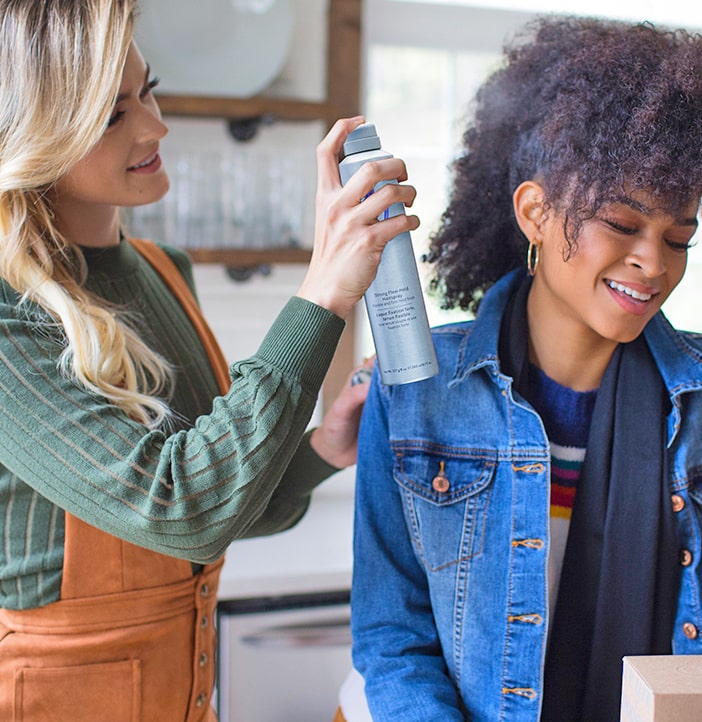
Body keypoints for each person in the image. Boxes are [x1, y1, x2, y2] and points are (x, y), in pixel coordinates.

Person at [0, 1, 419, 721]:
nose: (155, 126)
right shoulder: (13, 319)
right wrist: (322, 290)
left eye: (148, 90)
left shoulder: (166, 273)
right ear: (37, 134)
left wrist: (321, 447)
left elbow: (223, 503)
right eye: (112, 115)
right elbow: (181, 510)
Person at [350, 15, 702, 722]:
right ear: (535, 211)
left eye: (678, 237)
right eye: (623, 225)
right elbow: (394, 639)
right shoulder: (416, 393)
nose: (653, 263)